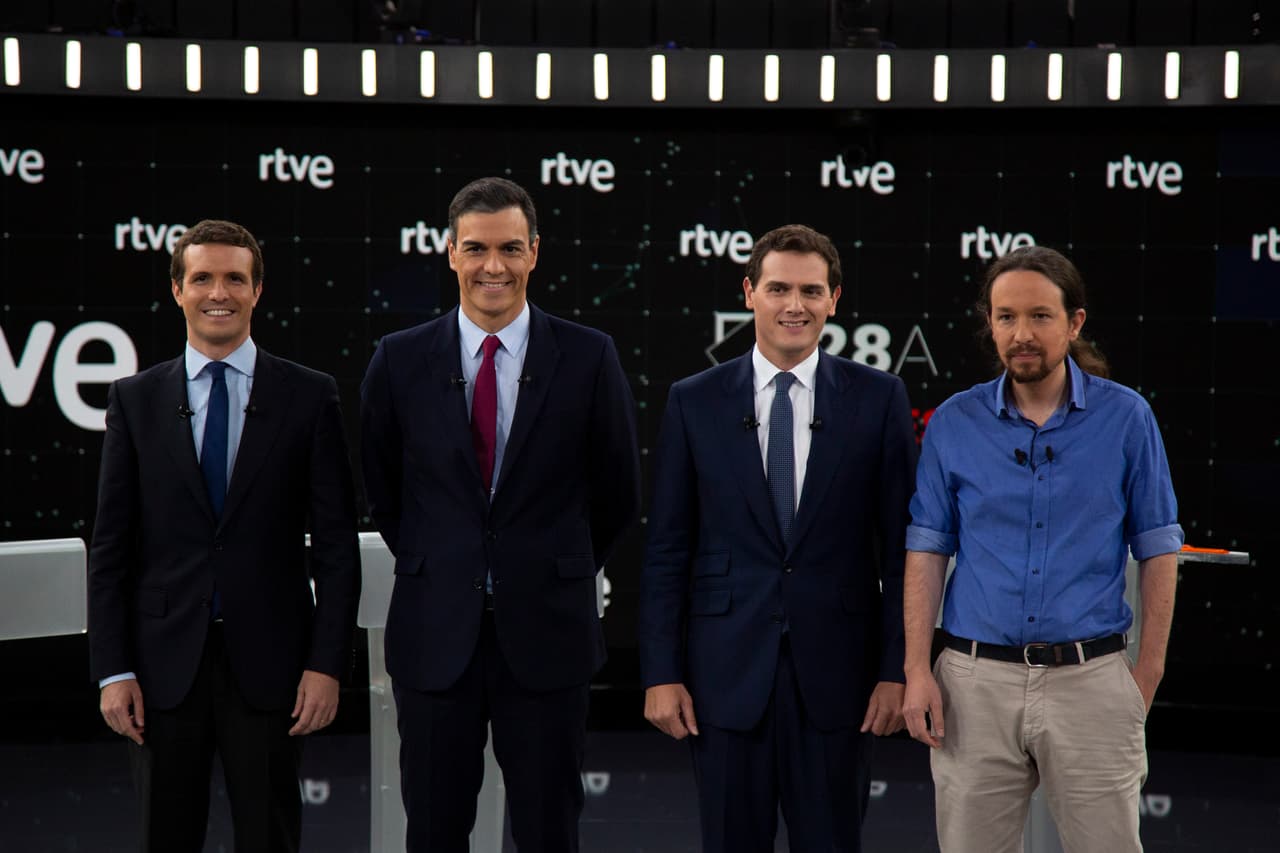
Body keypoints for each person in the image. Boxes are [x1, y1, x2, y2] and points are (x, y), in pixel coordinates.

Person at [359, 176, 641, 853]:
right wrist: (451, 562)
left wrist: (548, 567)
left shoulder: (588, 355)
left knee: (549, 829)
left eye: (511, 248)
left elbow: (617, 493)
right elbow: (384, 493)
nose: (494, 266)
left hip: (549, 634)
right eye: (477, 248)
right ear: (450, 252)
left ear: (535, 252)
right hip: (434, 636)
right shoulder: (397, 361)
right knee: (432, 829)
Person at [638, 224, 917, 853]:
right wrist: (660, 671)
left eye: (811, 291)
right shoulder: (694, 401)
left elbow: (904, 553)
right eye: (779, 288)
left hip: (839, 680)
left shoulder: (879, 398)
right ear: (749, 293)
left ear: (834, 300)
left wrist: (897, 669)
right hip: (723, 677)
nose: (795, 305)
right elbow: (667, 551)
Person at [87, 218, 362, 853]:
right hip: (160, 669)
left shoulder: (309, 395)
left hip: (272, 667)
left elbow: (337, 546)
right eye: (203, 277)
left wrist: (328, 665)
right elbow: (111, 549)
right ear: (178, 290)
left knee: (270, 836)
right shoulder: (134, 399)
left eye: (235, 278)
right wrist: (112, 670)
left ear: (257, 290)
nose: (220, 292)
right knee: (167, 835)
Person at [902, 245, 1183, 853]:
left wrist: (1148, 672)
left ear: (1074, 322)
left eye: (1039, 316)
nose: (1021, 334)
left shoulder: (1126, 418)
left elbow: (1159, 548)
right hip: (972, 686)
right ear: (990, 323)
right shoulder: (954, 422)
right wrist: (916, 669)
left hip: (1092, 682)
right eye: (1006, 317)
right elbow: (926, 547)